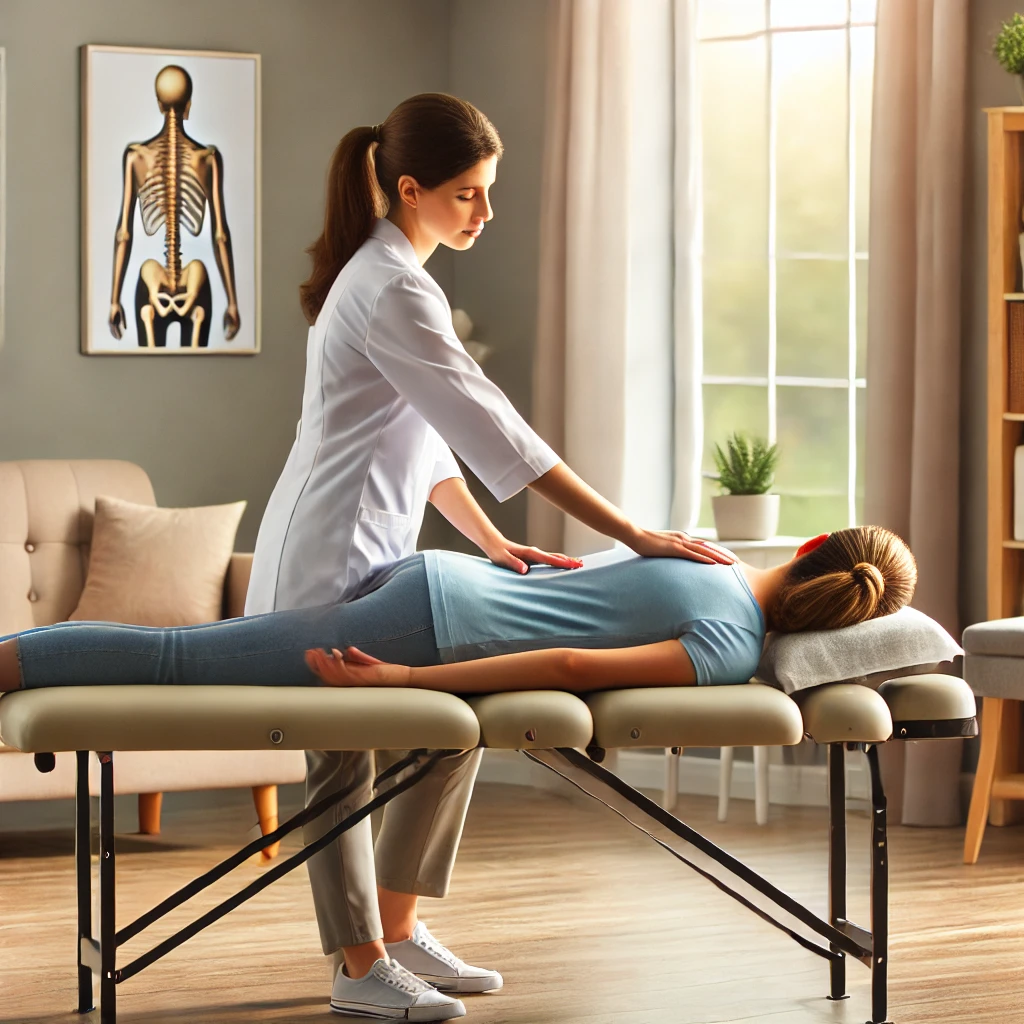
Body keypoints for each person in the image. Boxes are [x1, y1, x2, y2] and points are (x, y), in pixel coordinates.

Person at [239, 91, 736, 1019]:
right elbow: (493, 425)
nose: (485, 212)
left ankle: (394, 928)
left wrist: (495, 539)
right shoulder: (388, 284)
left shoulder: (400, 275)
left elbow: (429, 447)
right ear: (412, 188)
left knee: (448, 717)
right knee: (341, 755)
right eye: (468, 194)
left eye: (488, 191)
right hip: (320, 555)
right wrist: (629, 531)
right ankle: (356, 970)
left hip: (372, 549)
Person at [0, 528, 915, 1018]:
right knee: (185, 658)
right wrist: (403, 680)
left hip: (441, 581)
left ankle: (392, 937)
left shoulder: (700, 552)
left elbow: (571, 607)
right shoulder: (726, 647)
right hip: (430, 626)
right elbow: (564, 670)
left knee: (448, 744)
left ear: (808, 551)